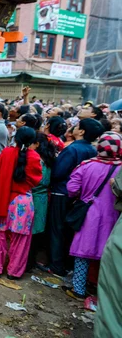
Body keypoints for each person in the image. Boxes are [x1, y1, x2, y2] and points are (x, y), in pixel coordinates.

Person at [63, 132, 122, 300]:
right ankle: (98, 289)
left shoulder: (87, 165)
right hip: (114, 216)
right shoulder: (120, 169)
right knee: (106, 253)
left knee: (83, 251)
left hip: (89, 214)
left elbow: (72, 189)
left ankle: (79, 289)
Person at [43, 118, 105, 277]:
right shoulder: (92, 150)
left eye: (77, 126)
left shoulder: (72, 149)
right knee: (69, 230)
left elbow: (58, 172)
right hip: (80, 195)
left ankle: (56, 266)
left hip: (62, 192)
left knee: (56, 229)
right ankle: (67, 263)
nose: (74, 128)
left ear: (82, 132)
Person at [0, 127, 42, 279]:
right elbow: (36, 180)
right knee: (20, 240)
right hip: (23, 201)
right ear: (32, 141)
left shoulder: (7, 153)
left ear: (15, 138)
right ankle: (14, 272)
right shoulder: (35, 157)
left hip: (4, 200)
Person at [95, 166, 122, 335]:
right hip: (108, 219)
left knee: (112, 309)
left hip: (92, 214)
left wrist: (114, 185)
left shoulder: (88, 164)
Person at [27, 133, 56, 271]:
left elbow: (39, 181)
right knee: (35, 232)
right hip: (42, 198)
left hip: (34, 197)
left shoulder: (38, 160)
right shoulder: (47, 158)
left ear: (37, 144)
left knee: (29, 232)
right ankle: (29, 261)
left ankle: (26, 261)